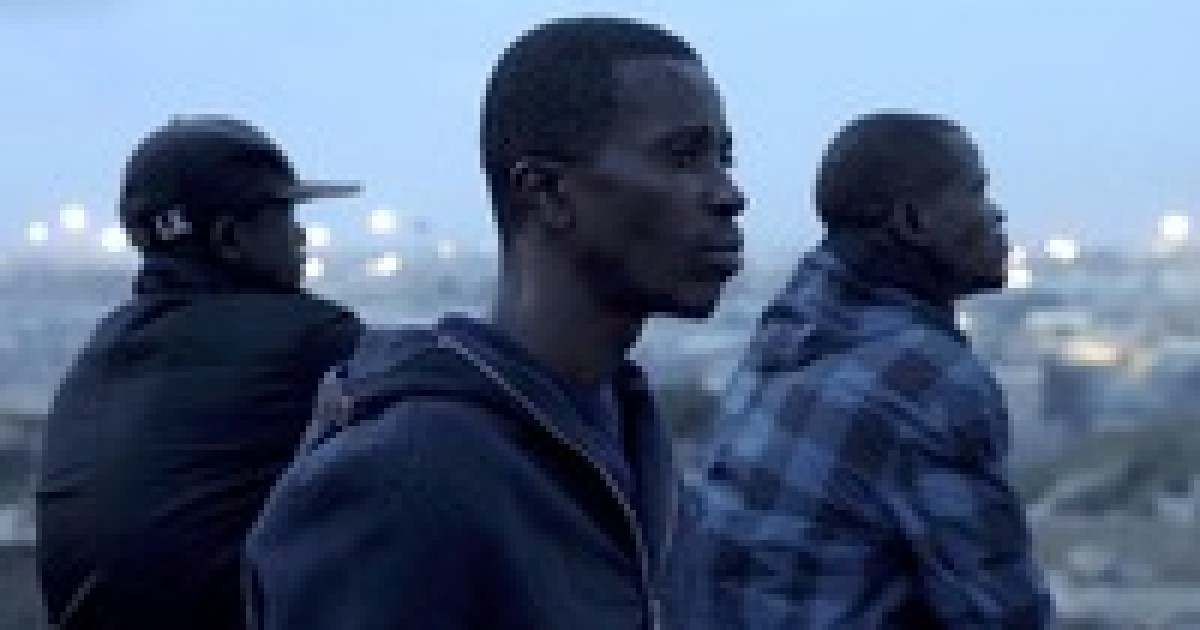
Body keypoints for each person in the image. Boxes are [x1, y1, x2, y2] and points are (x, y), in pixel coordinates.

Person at [244, 16, 744, 630]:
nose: (728, 194)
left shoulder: (636, 439)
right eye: (684, 157)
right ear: (547, 192)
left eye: (724, 158)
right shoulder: (401, 479)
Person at [680, 111, 1055, 628]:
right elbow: (1005, 615)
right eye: (977, 191)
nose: (996, 214)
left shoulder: (790, 332)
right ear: (913, 222)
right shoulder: (926, 377)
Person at [36, 116, 363, 629]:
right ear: (229, 238)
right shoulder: (310, 337)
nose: (301, 235)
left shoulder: (102, 348)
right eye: (283, 214)